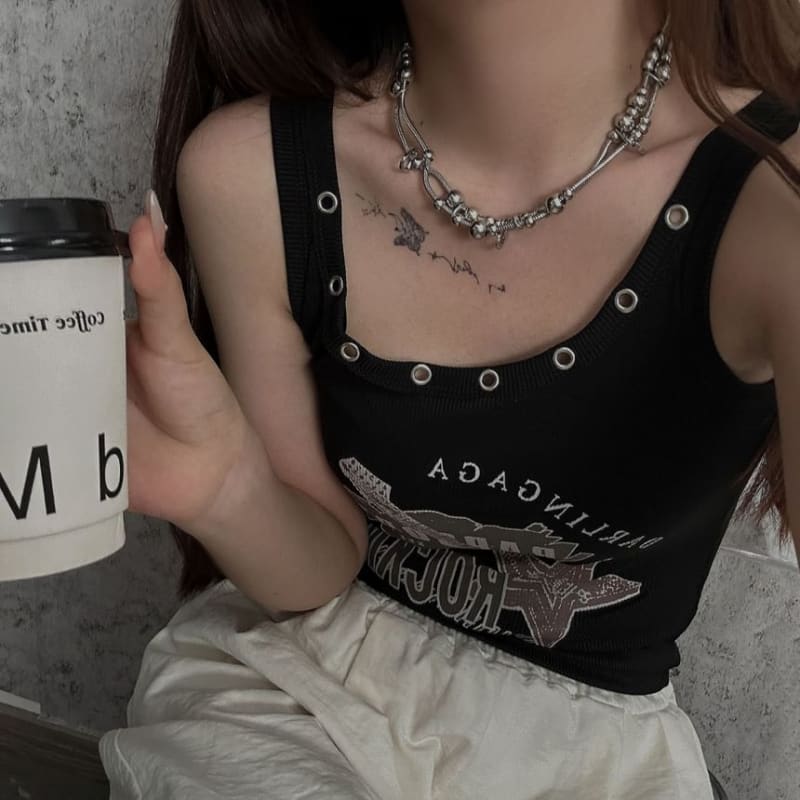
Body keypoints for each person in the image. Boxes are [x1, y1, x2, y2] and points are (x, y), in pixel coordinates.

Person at [99, 1, 800, 798]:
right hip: (300, 692)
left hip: (596, 755)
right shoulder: (255, 171)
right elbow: (318, 568)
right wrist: (226, 490)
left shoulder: (776, 195)